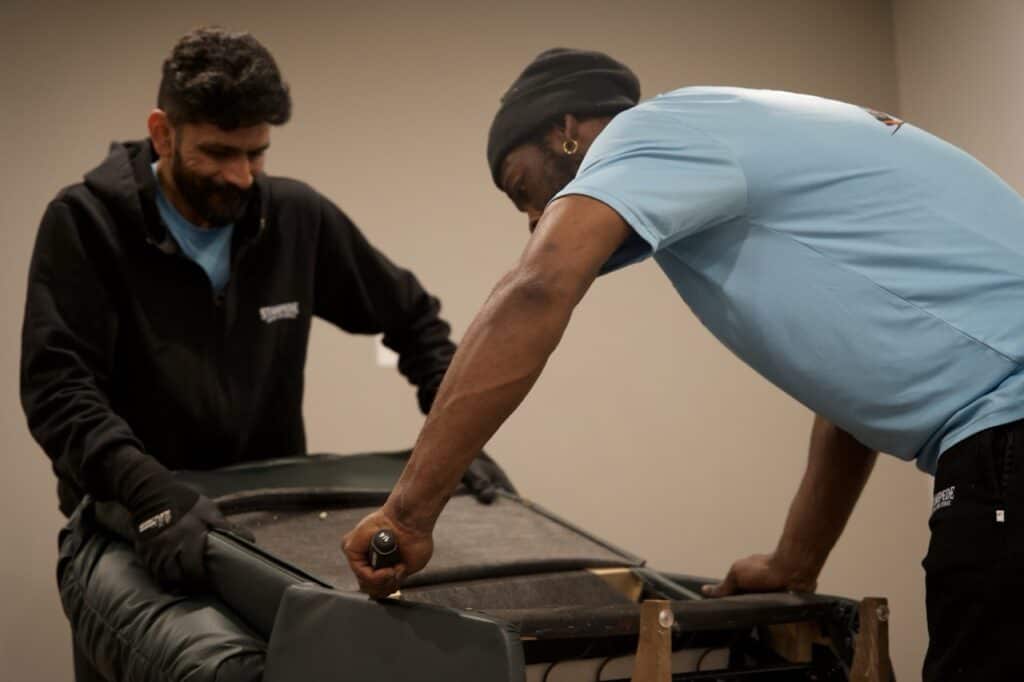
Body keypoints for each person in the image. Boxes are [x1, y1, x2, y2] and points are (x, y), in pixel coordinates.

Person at [343, 48, 1024, 680]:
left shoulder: (653, 130)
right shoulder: (738, 130)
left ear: (568, 131)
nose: (530, 216)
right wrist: (795, 560)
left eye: (522, 186)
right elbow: (852, 401)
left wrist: (406, 515)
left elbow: (538, 286)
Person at [19, 27, 469, 590]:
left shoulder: (295, 218)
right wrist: (147, 491)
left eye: (256, 153)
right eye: (219, 152)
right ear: (162, 134)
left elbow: (413, 320)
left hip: (268, 521)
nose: (241, 175)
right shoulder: (86, 225)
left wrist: (452, 450)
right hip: (135, 519)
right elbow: (58, 391)